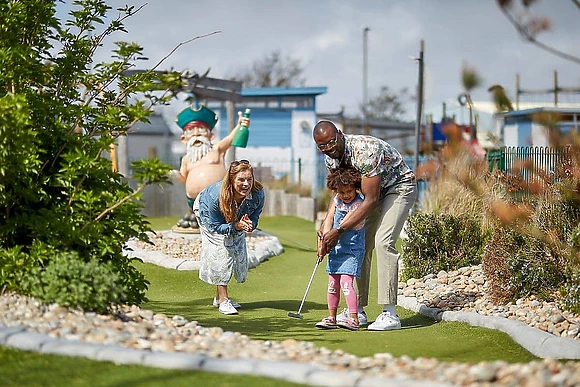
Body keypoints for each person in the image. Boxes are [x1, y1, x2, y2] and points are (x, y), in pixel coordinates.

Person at [313, 120, 417, 331]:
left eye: (331, 142)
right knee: (360, 243)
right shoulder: (330, 158)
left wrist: (339, 229)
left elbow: (370, 199)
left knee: (383, 241)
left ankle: (390, 313)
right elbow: (337, 196)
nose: (328, 148)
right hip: (371, 195)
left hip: (398, 187)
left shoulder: (365, 151)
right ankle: (357, 311)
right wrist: (326, 226)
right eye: (322, 146)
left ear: (340, 135)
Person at [192, 160, 265, 315]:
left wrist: (250, 224)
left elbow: (255, 215)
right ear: (231, 180)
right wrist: (235, 226)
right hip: (206, 214)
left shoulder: (258, 193)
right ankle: (224, 301)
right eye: (241, 180)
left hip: (234, 218)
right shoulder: (215, 196)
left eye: (249, 179)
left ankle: (218, 297)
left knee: (236, 250)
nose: (246, 184)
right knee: (221, 252)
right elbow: (215, 226)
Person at [173, 104, 249, 230]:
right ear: (184, 139)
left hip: (219, 198)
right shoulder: (186, 159)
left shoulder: (217, 149)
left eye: (201, 129)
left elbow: (230, 139)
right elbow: (183, 177)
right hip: (194, 201)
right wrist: (175, 176)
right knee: (197, 220)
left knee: (220, 220)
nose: (196, 134)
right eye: (191, 131)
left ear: (211, 135)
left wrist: (240, 125)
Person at [315, 167, 365, 331]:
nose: (345, 195)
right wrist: (324, 238)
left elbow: (344, 224)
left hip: (351, 250)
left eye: (349, 191)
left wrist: (330, 236)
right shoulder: (337, 200)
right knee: (332, 284)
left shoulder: (359, 203)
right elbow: (329, 218)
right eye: (341, 192)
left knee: (345, 283)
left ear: (355, 187)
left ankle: (354, 319)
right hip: (336, 250)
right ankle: (332, 317)